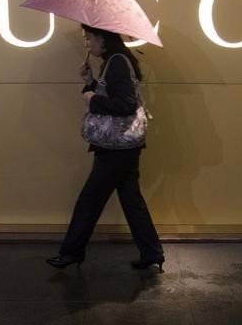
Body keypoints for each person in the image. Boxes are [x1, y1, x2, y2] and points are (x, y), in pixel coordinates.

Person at [46, 24, 165, 271]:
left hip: (115, 150)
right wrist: (90, 82)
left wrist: (93, 99)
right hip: (124, 148)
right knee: (131, 200)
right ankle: (152, 252)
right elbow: (113, 96)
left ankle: (71, 252)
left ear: (102, 38)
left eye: (89, 38)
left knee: (89, 200)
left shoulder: (117, 62)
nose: (87, 43)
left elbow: (126, 105)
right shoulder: (114, 61)